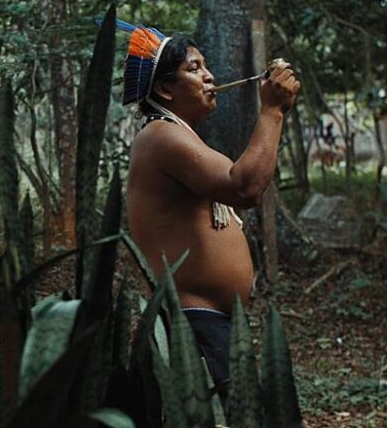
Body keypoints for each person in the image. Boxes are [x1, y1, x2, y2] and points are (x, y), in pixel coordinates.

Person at [120, 23, 300, 394]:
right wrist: (272, 112)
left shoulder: (179, 136)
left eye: (205, 65)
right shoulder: (160, 136)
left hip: (208, 324)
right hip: (192, 323)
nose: (209, 75)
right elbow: (244, 186)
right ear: (164, 89)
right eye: (194, 68)